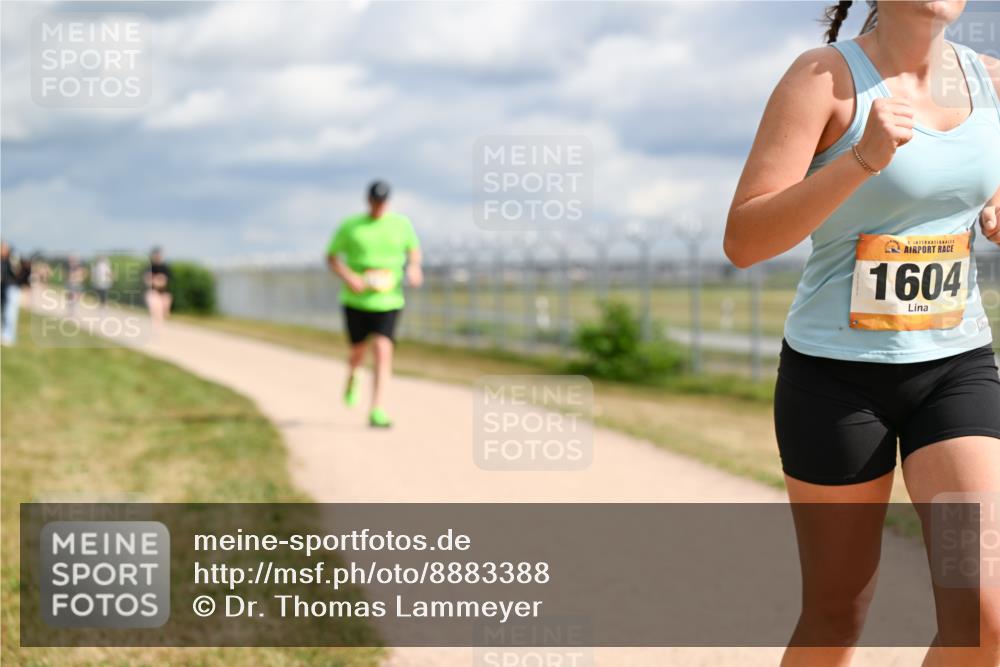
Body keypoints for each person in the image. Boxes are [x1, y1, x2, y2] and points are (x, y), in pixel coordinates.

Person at [725, 2, 1000, 666]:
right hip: (836, 376)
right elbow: (744, 240)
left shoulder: (992, 82)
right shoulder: (823, 78)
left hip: (955, 364)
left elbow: (972, 184)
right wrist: (860, 160)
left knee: (987, 615)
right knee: (836, 613)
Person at [326, 180, 423, 428]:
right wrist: (350, 277)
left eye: (383, 202)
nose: (379, 206)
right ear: (368, 200)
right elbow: (331, 257)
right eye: (375, 201)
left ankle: (377, 408)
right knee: (358, 351)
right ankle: (353, 375)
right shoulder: (351, 226)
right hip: (356, 300)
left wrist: (414, 268)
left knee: (382, 348)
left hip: (388, 300)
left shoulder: (401, 224)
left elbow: (413, 250)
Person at [144, 247, 172, 327]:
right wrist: (156, 280)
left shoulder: (165, 267)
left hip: (164, 294)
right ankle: (156, 328)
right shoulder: (149, 267)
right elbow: (147, 280)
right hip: (153, 292)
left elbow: (164, 282)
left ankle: (159, 327)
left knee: (164, 313)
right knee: (155, 309)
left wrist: (155, 280)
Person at [1, 242, 18, 345]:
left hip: (11, 288)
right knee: (4, 313)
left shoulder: (11, 260)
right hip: (3, 289)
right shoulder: (2, 261)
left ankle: (9, 337)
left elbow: (16, 273)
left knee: (10, 314)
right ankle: (4, 335)